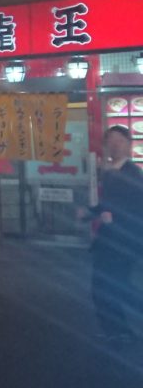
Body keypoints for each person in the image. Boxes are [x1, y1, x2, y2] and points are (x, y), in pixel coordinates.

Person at [80, 126, 143, 344]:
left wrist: (110, 216)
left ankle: (118, 330)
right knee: (111, 285)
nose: (115, 144)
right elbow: (108, 203)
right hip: (112, 239)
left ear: (129, 144)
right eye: (111, 140)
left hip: (123, 239)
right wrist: (92, 212)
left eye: (120, 140)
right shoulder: (111, 172)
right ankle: (116, 330)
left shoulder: (132, 173)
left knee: (110, 285)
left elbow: (134, 205)